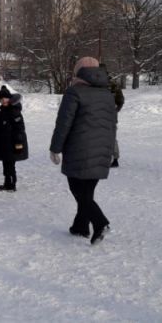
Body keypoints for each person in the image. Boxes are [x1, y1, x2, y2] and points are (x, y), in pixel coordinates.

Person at [50, 56, 116, 245]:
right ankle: (80, 226)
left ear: (78, 72)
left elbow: (64, 123)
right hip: (102, 148)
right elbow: (113, 124)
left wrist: (55, 148)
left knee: (78, 189)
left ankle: (100, 222)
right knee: (87, 191)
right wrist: (110, 150)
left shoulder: (75, 92)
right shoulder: (107, 93)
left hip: (79, 148)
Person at [0, 86, 28, 191]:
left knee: (10, 165)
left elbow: (19, 128)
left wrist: (18, 144)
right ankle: (7, 183)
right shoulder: (3, 110)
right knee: (6, 164)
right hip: (5, 143)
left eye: (5, 98)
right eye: (1, 99)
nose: (3, 100)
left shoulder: (14, 111)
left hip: (13, 143)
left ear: (9, 98)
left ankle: (12, 184)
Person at [100, 64, 125, 168]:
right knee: (111, 137)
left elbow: (120, 100)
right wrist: (115, 111)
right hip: (109, 115)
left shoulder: (94, 84)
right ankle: (114, 158)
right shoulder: (113, 84)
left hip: (99, 114)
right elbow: (120, 101)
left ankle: (112, 158)